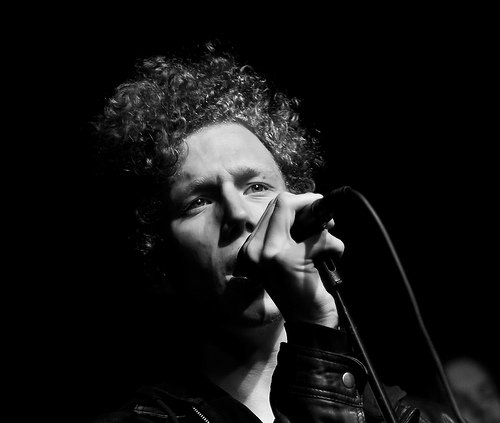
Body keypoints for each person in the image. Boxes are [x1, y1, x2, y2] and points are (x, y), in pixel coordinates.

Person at [88, 42, 457, 422]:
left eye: (257, 187)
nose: (238, 214)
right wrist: (314, 334)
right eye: (199, 201)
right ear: (158, 262)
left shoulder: (408, 414)